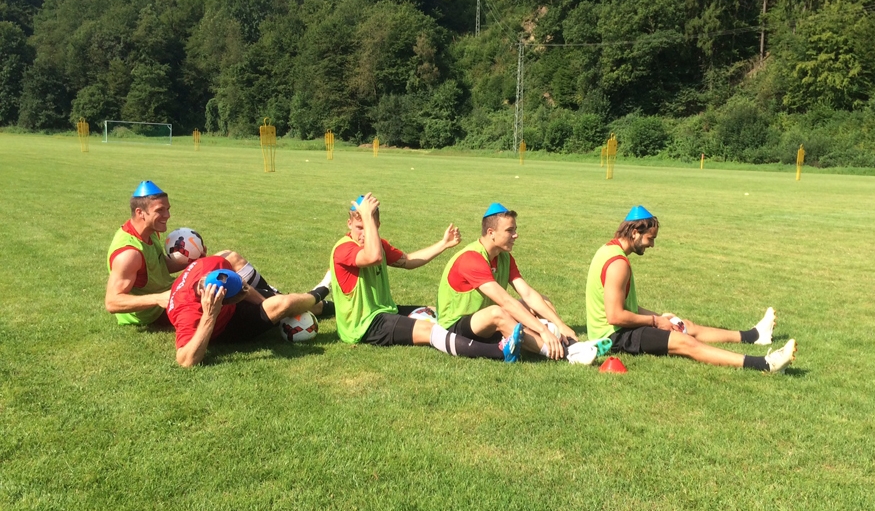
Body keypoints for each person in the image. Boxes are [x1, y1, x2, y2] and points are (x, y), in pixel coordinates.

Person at [586, 205, 797, 373]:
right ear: (635, 232)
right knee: (685, 342)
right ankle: (766, 364)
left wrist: (661, 318)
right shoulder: (618, 264)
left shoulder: (608, 250)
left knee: (683, 326)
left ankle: (754, 335)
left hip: (619, 330)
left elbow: (625, 306)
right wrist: (654, 321)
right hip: (613, 338)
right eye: (650, 238)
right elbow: (615, 316)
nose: (652, 245)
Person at [105, 180, 324, 327]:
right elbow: (113, 302)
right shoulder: (129, 253)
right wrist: (159, 298)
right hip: (157, 312)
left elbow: (156, 268)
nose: (168, 215)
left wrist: (194, 259)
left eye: (168, 209)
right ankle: (299, 305)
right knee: (230, 292)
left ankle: (281, 300)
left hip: (170, 290)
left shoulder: (147, 231)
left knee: (228, 257)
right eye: (160, 211)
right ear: (140, 212)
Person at [331, 194, 520, 361]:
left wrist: (443, 244)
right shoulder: (344, 248)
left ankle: (488, 334)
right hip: (364, 325)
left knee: (433, 314)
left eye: (369, 227)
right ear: (349, 224)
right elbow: (373, 257)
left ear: (377, 225)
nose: (364, 234)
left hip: (384, 311)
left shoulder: (378, 244)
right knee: (430, 331)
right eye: (359, 227)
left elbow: (408, 260)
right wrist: (367, 216)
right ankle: (499, 351)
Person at [436, 202, 594, 362]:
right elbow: (505, 302)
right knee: (498, 313)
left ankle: (564, 340)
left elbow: (528, 294)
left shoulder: (504, 257)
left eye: (515, 230)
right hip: (455, 326)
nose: (515, 235)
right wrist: (542, 330)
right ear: (491, 232)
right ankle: (566, 354)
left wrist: (560, 324)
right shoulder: (471, 258)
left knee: (543, 301)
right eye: (509, 230)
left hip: (483, 318)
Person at [167, 255, 330, 367]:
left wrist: (268, 307)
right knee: (286, 303)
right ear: (222, 302)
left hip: (225, 301)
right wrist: (210, 315)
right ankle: (322, 290)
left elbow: (245, 288)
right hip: (226, 326)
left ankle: (328, 305)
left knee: (289, 305)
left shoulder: (214, 264)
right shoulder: (188, 314)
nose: (246, 291)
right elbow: (186, 361)